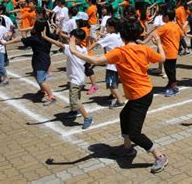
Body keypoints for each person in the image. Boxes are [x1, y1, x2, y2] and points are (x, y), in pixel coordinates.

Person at [68, 18, 169, 173]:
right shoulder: (144, 48)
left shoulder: (120, 52)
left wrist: (74, 50)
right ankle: (128, 148)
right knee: (124, 115)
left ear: (122, 36)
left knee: (135, 133)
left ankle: (159, 155)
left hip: (140, 97)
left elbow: (95, 59)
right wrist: (159, 44)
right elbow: (162, 58)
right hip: (144, 93)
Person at [42, 28, 93, 129]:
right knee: (75, 97)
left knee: (75, 100)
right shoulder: (82, 49)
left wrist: (45, 37)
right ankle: (74, 111)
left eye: (71, 38)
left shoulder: (71, 49)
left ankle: (87, 117)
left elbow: (58, 44)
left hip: (76, 80)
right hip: (79, 78)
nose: (69, 38)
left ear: (77, 40)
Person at [2, 19, 57, 105]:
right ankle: (42, 90)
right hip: (42, 59)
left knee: (41, 80)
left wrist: (7, 42)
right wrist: (54, 26)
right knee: (36, 74)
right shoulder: (49, 36)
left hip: (40, 61)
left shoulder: (34, 39)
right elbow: (57, 33)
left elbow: (19, 39)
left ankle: (51, 96)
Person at [92, 17, 125, 108]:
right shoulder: (119, 34)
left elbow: (97, 44)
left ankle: (120, 101)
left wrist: (87, 48)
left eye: (107, 26)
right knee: (114, 82)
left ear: (112, 27)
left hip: (112, 64)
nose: (105, 27)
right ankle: (112, 95)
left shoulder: (110, 37)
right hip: (119, 63)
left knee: (111, 83)